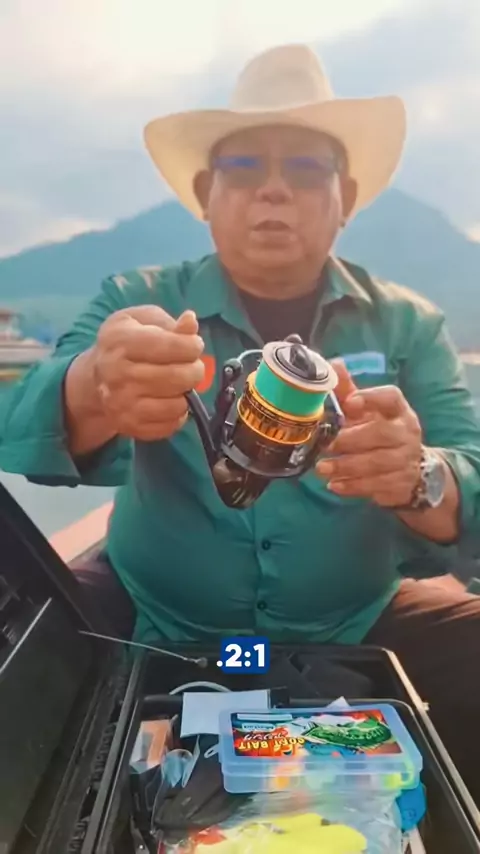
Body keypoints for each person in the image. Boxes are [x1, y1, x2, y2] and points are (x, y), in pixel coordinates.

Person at [1, 44, 480, 802]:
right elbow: (17, 419)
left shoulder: (410, 325)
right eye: (245, 166)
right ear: (206, 193)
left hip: (358, 620)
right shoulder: (135, 297)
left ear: (347, 199)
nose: (274, 190)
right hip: (150, 610)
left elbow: (470, 474)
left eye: (306, 169)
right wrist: (93, 387)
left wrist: (421, 476)